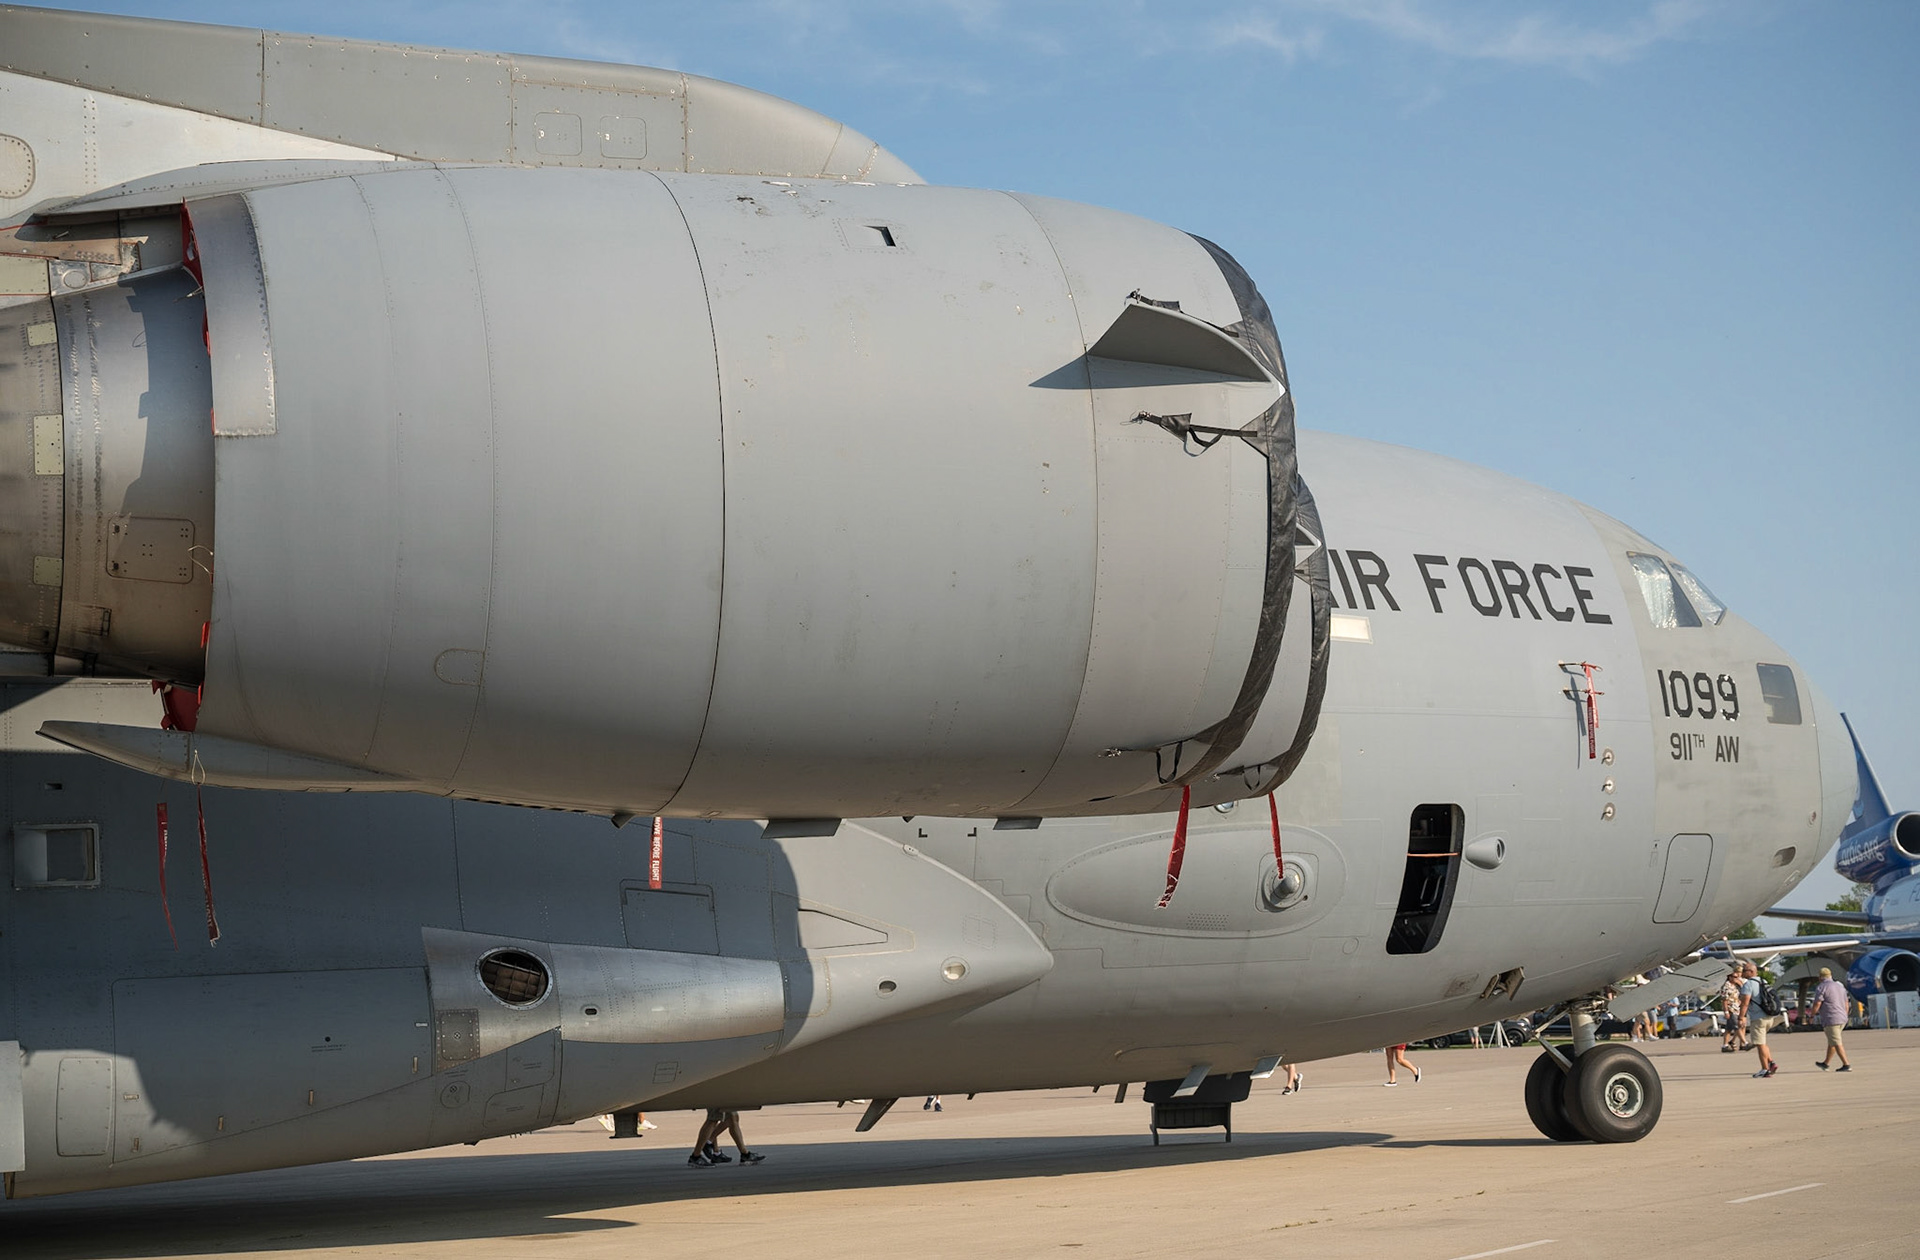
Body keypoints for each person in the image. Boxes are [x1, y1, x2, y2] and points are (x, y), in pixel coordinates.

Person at [1810, 967, 1853, 1072]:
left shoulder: (1821, 987)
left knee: (1837, 1042)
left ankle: (1846, 1064)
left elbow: (1817, 1003)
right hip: (1842, 1018)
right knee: (1832, 1041)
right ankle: (1826, 1063)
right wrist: (1845, 1015)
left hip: (1831, 1018)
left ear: (1820, 977)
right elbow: (1846, 1003)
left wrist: (1811, 1015)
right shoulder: (1840, 987)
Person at [1741, 962, 1781, 1077]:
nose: (1743, 972)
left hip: (1758, 1018)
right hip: (1769, 1017)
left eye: (1745, 970)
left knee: (1760, 1044)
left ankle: (1765, 1069)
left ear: (1752, 972)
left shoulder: (1748, 984)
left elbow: (1745, 1003)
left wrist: (1741, 1017)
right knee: (1762, 1043)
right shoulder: (1763, 981)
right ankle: (1771, 1063)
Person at [689, 1108, 766, 1167]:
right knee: (713, 1119)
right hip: (714, 1092)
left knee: (733, 1117)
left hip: (722, 1094)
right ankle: (695, 1156)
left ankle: (744, 1154)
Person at [1720, 967, 1747, 1052]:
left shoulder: (1735, 986)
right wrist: (1726, 1011)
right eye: (1734, 977)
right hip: (1731, 1009)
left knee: (1728, 1029)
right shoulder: (1726, 986)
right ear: (1729, 977)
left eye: (1737, 977)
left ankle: (1725, 1045)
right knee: (1737, 1026)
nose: (1736, 978)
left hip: (1736, 1009)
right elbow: (1724, 1000)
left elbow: (1739, 994)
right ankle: (1745, 1042)